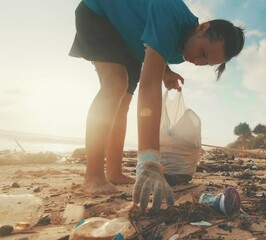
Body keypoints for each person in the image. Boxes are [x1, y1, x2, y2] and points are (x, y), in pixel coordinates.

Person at [69, 0, 245, 211]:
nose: (198, 62)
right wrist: (150, 160)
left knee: (123, 99)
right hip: (99, 14)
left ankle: (113, 172)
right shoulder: (169, 15)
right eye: (203, 53)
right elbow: (149, 84)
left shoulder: (184, 44)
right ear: (202, 27)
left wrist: (166, 71)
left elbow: (156, 48)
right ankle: (93, 176)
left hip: (130, 39)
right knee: (115, 84)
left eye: (205, 63)